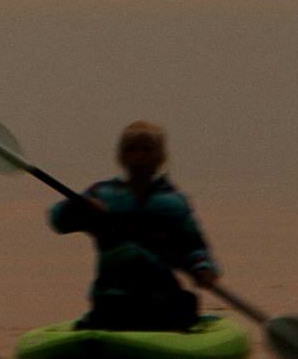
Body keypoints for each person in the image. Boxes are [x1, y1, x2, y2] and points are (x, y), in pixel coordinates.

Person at [51, 119, 220, 331]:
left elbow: (195, 246)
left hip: (160, 298)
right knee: (112, 309)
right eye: (131, 149)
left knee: (185, 302)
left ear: (160, 157)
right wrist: (77, 209)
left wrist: (203, 268)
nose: (139, 156)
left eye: (147, 150)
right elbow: (57, 221)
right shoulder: (101, 195)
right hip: (112, 299)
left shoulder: (174, 204)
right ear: (121, 156)